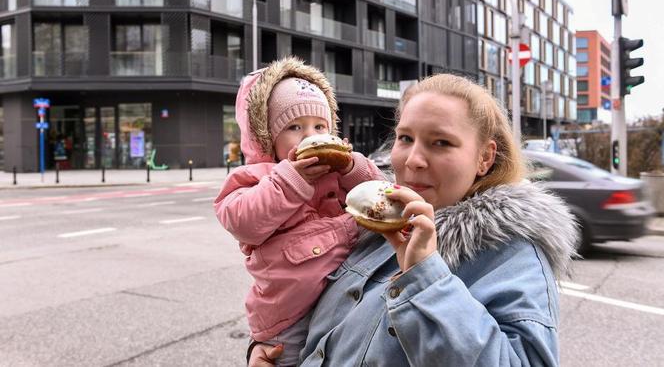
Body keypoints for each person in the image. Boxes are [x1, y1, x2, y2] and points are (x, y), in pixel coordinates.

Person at [249, 73, 578, 366]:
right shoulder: (375, 225)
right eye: (405, 138)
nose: (413, 159)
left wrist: (427, 277)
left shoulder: (513, 256)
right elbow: (311, 309)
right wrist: (268, 348)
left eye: (441, 143)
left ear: (484, 157)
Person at [214, 57, 384, 366]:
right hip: (286, 317)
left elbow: (380, 197)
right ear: (269, 135)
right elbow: (242, 221)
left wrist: (351, 166)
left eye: (319, 126)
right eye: (295, 127)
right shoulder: (260, 176)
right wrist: (293, 179)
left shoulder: (339, 173)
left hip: (341, 303)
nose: (310, 136)